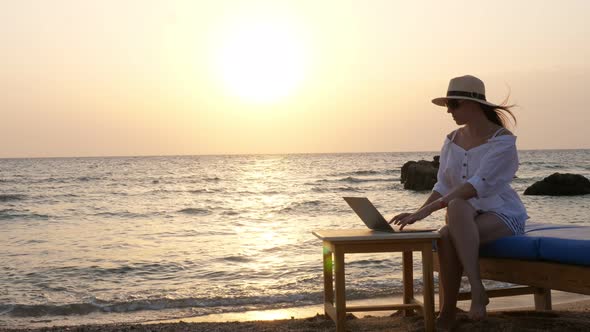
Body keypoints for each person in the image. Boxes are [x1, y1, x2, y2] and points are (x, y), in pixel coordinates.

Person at [389, 75, 528, 330]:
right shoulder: (452, 140)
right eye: (447, 106)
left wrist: (427, 212)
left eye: (454, 105)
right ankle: (459, 304)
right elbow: (443, 185)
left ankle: (464, 300)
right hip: (463, 215)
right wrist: (417, 211)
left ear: (474, 104)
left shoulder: (503, 141)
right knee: (450, 225)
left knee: (450, 223)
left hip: (500, 213)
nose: (449, 111)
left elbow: (475, 186)